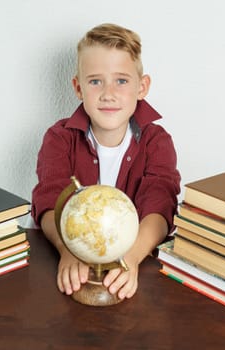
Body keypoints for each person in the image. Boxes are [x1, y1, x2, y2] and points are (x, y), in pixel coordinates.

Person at [31, 23, 181, 300]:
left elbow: (160, 203)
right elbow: (49, 199)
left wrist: (132, 258)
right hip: (73, 253)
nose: (108, 93)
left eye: (121, 80)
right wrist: (68, 251)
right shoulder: (59, 138)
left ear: (142, 86)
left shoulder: (156, 141)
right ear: (78, 87)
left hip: (135, 260)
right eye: (95, 81)